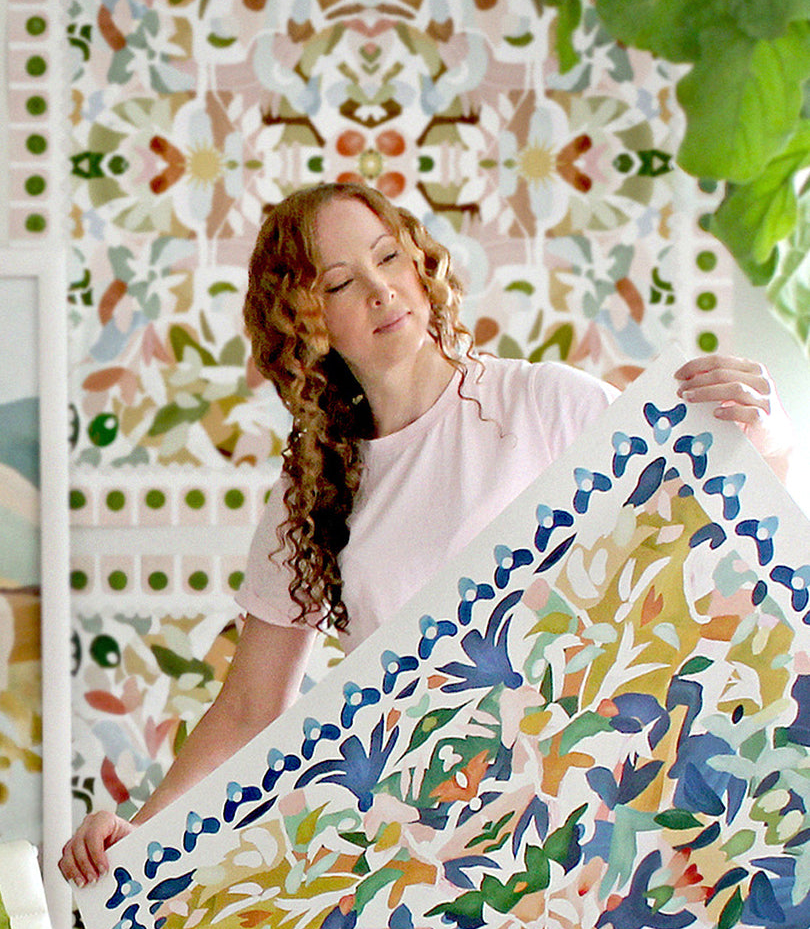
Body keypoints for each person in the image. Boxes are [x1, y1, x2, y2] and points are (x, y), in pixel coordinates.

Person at [59, 179, 797, 887]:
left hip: (604, 811)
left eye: (388, 256)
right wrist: (138, 834)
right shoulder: (310, 491)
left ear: (419, 262)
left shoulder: (542, 403)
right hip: (432, 859)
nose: (380, 289)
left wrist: (759, 435)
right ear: (302, 319)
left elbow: (711, 533)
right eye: (340, 282)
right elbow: (253, 706)